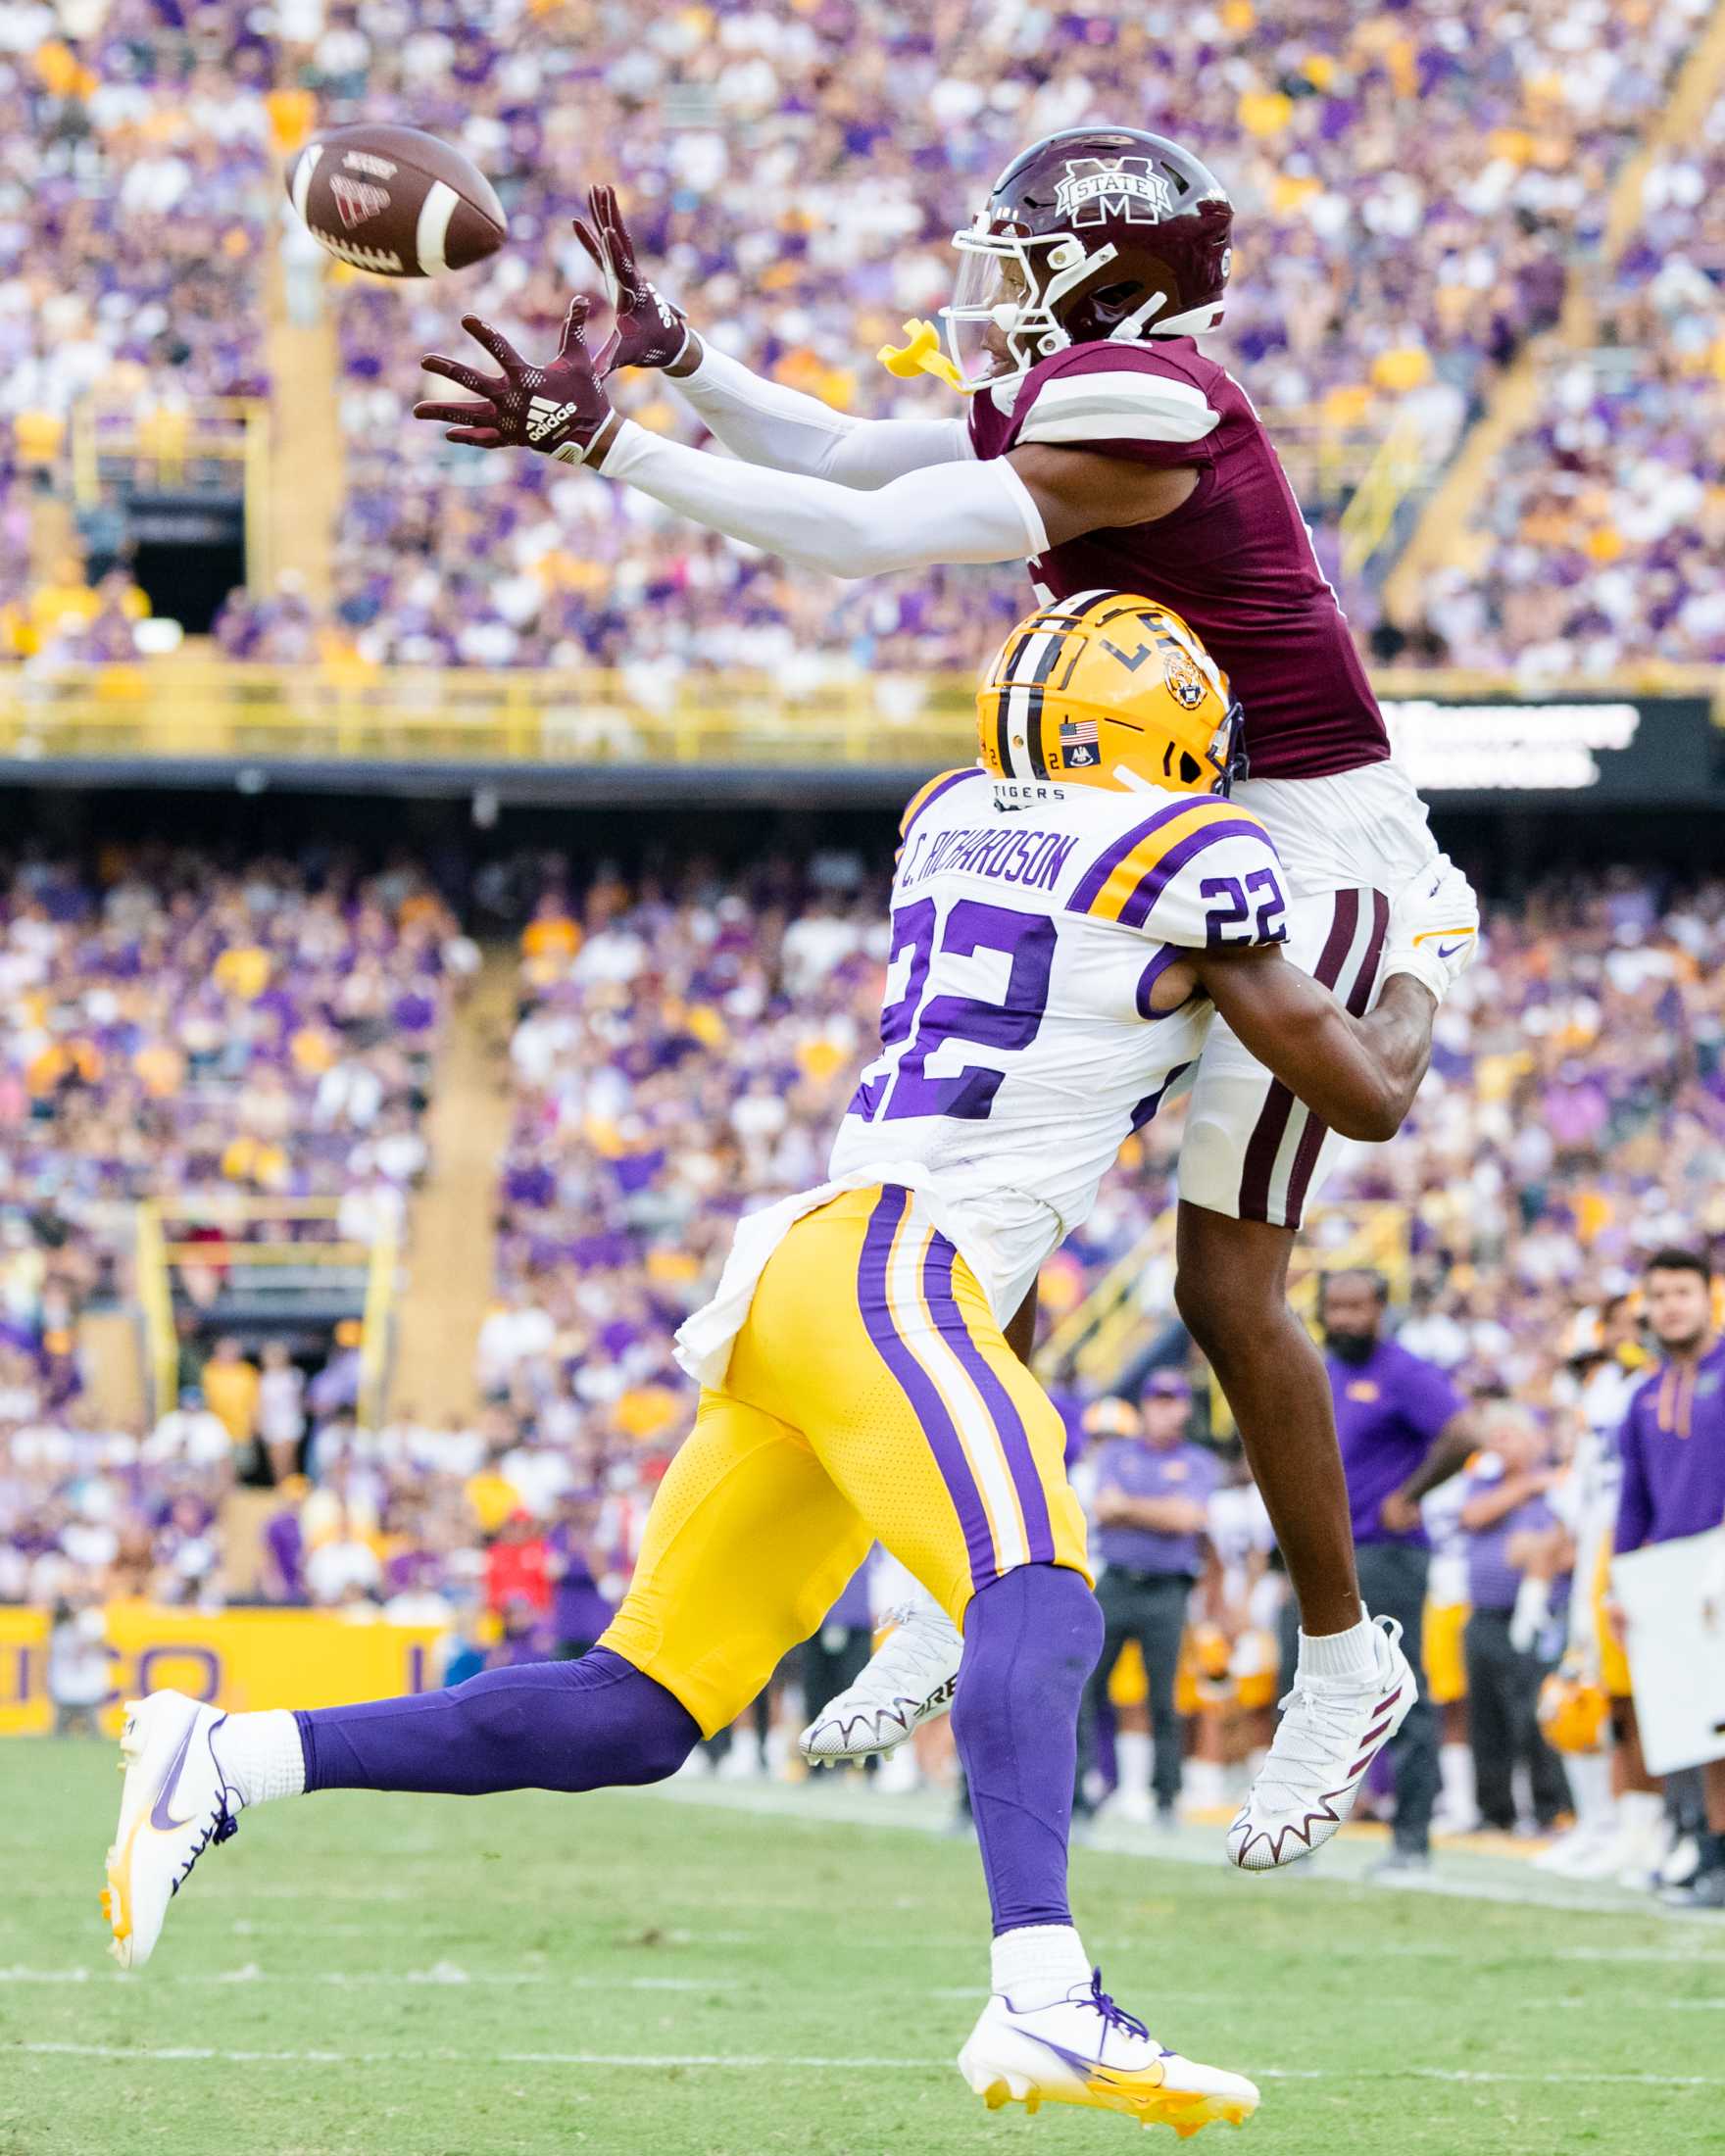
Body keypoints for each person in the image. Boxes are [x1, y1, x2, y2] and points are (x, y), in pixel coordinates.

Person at [102, 596, 1475, 2132]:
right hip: (896, 1268)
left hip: (818, 1276)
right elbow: (1363, 1097)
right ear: (1160, 739)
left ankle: (231, 1756)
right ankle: (1044, 1995)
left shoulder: (952, 815)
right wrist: (1420, 960)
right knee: (1040, 1589)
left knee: (634, 1710)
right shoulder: (1191, 862)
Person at [411, 142, 1469, 1854]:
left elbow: (854, 537)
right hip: (1160, 807)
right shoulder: (1090, 390)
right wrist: (684, 362)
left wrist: (602, 437)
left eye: (1024, 257)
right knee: (990, 1184)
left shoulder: (1148, 400)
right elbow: (837, 450)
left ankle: (1346, 1663)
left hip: (1307, 840)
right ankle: (949, 1577)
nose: (987, 284)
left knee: (1224, 1283)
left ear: (1114, 283)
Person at [1315, 1268, 1478, 1878]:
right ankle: (1298, 1836)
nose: (1346, 1318)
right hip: (1327, 1554)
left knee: (1397, 1693)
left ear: (1382, 1309)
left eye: (1358, 1306)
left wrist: (1411, 1493)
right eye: (1336, 1306)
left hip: (1387, 1553)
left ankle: (1412, 1839)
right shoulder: (1324, 1369)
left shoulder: (1403, 1372)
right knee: (1311, 1694)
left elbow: (1464, 1435)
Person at [1609, 1249, 1725, 1912]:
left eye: (1683, 1291)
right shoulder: (1643, 1395)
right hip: (1671, 1574)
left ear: (1708, 1296)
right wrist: (1620, 1585)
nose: (1672, 1305)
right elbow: (1634, 1502)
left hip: (1718, 1561)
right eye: (1660, 1294)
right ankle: (1711, 1857)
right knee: (1703, 1726)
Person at [1076, 1373, 1216, 1828]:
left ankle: (1166, 1796)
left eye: (1171, 1400)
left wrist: (1131, 1509)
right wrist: (1161, 1512)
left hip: (1167, 1588)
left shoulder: (1197, 1461)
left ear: (1183, 1408)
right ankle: (1080, 1787)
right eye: (1156, 1400)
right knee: (1086, 1689)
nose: (1163, 1409)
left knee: (1163, 1697)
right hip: (1117, 1581)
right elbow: (1105, 1507)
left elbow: (1188, 1518)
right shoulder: (1118, 1453)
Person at [1456, 1404, 1571, 1836]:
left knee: (1533, 1715)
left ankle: (1549, 1808)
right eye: (1495, 1436)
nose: (1500, 1444)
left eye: (1509, 1435)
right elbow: (1472, 1516)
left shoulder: (1555, 1487)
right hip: (1483, 1612)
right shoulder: (1485, 1483)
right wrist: (1523, 1487)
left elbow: (1561, 1543)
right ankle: (1494, 1810)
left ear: (1531, 1439)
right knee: (1484, 1718)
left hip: (1535, 1615)